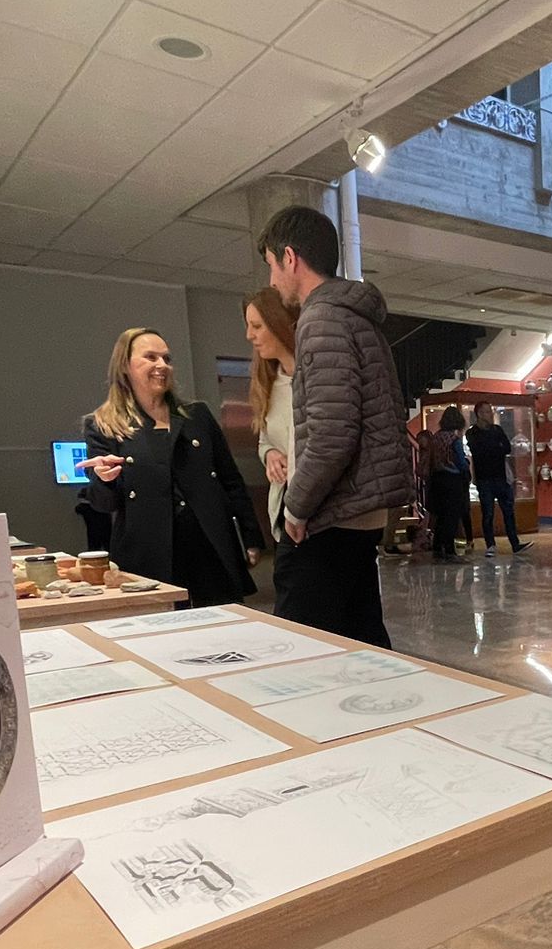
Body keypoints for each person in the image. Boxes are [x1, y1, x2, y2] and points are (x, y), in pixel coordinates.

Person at [258, 204, 413, 646]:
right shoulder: (355, 316)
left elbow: (330, 432)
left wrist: (296, 508)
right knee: (361, 646)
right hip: (359, 511)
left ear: (290, 258)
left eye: (272, 265)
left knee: (301, 654)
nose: (272, 281)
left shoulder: (321, 318)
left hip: (332, 515)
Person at [82, 327, 263, 608]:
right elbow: (105, 504)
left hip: (209, 548)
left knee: (225, 633)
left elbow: (231, 480)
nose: (162, 365)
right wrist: (103, 479)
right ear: (125, 366)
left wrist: (251, 536)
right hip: (148, 555)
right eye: (151, 357)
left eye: (167, 358)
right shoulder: (103, 426)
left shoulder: (197, 416)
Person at [245, 285, 298, 532]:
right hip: (283, 509)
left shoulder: (316, 381)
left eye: (257, 326)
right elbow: (265, 440)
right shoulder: (269, 383)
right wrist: (270, 456)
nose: (249, 335)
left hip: (320, 514)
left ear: (278, 324)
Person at [466, 404, 527, 556]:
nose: (490, 415)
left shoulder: (497, 430)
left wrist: (492, 448)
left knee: (508, 511)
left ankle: (515, 543)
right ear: (479, 414)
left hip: (501, 478)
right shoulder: (472, 432)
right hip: (484, 479)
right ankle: (490, 545)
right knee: (488, 513)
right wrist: (495, 448)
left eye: (491, 411)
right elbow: (479, 451)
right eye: (487, 412)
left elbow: (506, 447)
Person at [426, 406, 471, 562]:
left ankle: (438, 548)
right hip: (452, 480)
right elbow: (460, 461)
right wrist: (466, 468)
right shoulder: (454, 439)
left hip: (437, 479)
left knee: (440, 515)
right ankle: (450, 550)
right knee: (452, 515)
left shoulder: (435, 437)